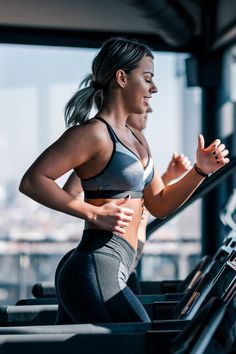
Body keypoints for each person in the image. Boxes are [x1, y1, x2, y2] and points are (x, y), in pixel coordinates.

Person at [19, 37, 229, 324]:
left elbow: (159, 204)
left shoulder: (138, 138)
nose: (153, 88)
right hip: (96, 265)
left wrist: (200, 172)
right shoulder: (93, 133)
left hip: (119, 267)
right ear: (121, 77)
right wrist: (91, 211)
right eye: (147, 78)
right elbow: (33, 181)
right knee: (143, 338)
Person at [62, 106, 192, 295]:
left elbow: (143, 199)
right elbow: (72, 192)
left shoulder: (137, 143)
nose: (150, 109)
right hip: (107, 254)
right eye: (144, 102)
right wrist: (97, 212)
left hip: (127, 255)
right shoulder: (103, 148)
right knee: (135, 322)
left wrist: (168, 177)